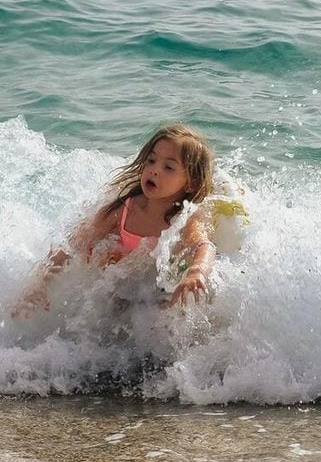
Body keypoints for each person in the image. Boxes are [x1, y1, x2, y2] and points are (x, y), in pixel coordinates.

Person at [13, 124, 217, 317]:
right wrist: (40, 285)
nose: (154, 170)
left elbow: (204, 246)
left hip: (159, 293)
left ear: (191, 183)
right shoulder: (123, 209)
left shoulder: (183, 219)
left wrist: (196, 272)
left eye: (169, 167)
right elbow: (73, 244)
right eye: (152, 160)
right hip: (119, 291)